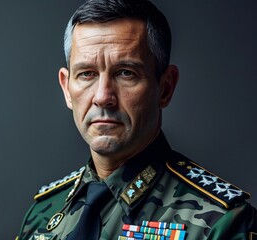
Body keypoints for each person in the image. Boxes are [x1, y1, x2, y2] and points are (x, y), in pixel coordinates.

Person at [16, 0, 257, 239]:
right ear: (67, 89)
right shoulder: (42, 215)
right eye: (87, 74)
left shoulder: (223, 222)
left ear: (165, 88)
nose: (103, 97)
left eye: (125, 73)